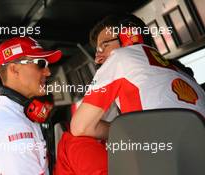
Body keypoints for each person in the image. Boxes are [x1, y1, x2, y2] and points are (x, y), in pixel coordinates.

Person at [55, 14, 205, 175]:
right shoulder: (182, 73)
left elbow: (80, 127)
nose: (98, 58)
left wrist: (118, 130)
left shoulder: (121, 57)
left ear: (129, 36)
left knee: (70, 140)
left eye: (103, 46)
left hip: (157, 165)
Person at [0, 37, 62, 175]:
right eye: (40, 64)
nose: (48, 72)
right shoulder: (14, 127)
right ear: (14, 69)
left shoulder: (14, 118)